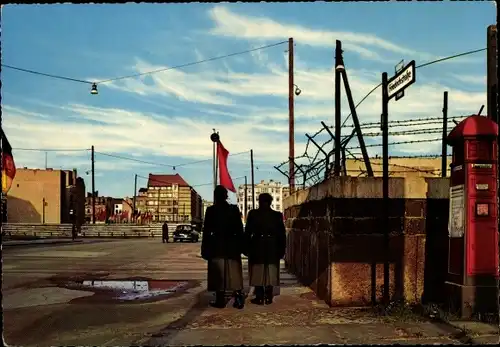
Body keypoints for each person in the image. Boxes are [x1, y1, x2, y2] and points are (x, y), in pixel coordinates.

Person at [201, 185, 245, 309]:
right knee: (234, 274)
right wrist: (241, 245)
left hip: (216, 245)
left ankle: (220, 300)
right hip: (232, 245)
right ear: (226, 196)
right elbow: (239, 229)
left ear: (215, 196)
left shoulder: (211, 210)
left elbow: (206, 232)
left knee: (218, 274)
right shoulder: (234, 209)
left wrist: (205, 249)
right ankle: (238, 298)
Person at [244, 193, 286, 305]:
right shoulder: (277, 215)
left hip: (257, 245)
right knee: (271, 271)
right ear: (271, 202)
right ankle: (268, 297)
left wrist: (246, 248)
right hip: (272, 246)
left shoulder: (253, 214)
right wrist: (282, 250)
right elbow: (282, 234)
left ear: (259, 201)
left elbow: (247, 232)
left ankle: (259, 297)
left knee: (258, 271)